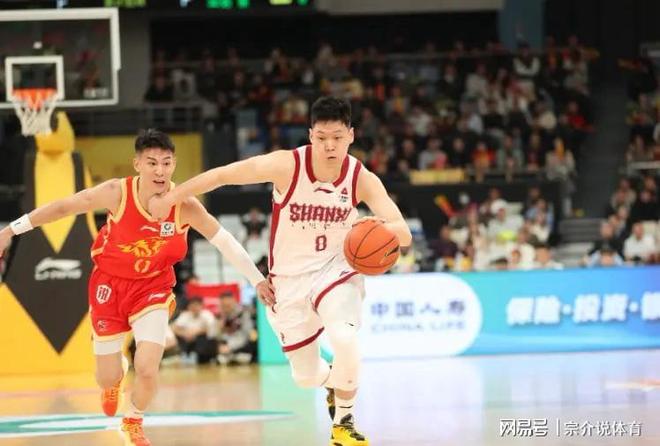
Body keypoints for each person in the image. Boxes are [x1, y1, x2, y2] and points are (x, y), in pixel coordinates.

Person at [149, 97, 412, 446]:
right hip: (288, 281)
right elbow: (223, 175)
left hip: (336, 270)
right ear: (310, 135)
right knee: (306, 377)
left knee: (344, 337)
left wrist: (377, 227)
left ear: (350, 135)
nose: (329, 146)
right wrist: (171, 199)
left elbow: (404, 233)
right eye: (321, 138)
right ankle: (333, 385)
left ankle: (344, 423)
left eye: (337, 137)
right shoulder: (287, 165)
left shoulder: (361, 178)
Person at [0, 129, 273, 446]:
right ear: (137, 164)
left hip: (153, 287)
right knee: (106, 377)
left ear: (174, 165)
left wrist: (257, 278)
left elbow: (224, 241)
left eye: (166, 163)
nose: (160, 170)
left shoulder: (185, 205)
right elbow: (64, 207)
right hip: (109, 284)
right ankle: (115, 376)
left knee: (147, 368)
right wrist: (10, 231)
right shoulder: (116, 193)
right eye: (152, 163)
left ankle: (132, 420)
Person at [171, 296, 218, 364]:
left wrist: (195, 332)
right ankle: (183, 356)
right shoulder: (185, 315)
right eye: (192, 305)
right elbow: (174, 328)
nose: (194, 308)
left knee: (203, 339)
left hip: (203, 341)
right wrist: (185, 334)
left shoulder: (207, 314)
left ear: (201, 306)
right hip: (187, 340)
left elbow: (210, 329)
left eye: (196, 305)